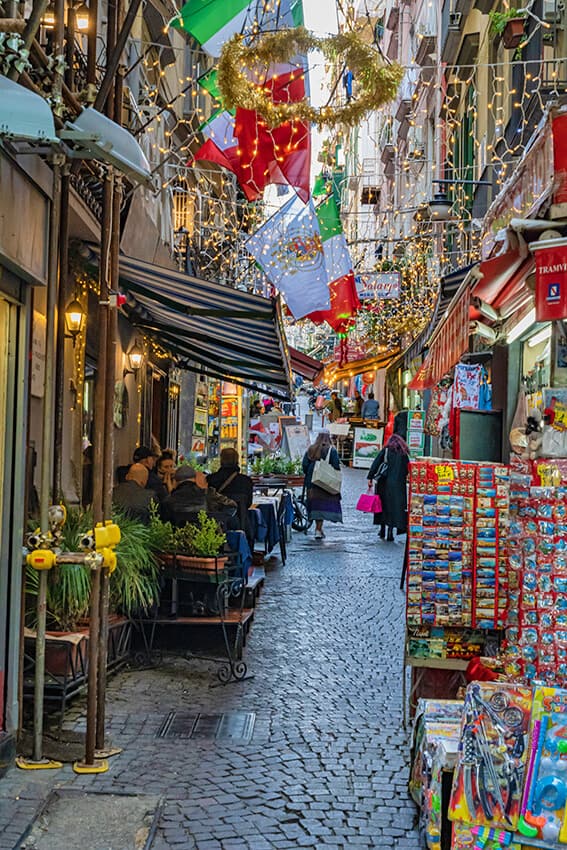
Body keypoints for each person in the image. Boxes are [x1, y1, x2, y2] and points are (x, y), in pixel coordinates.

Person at [162, 465, 238, 528]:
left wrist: (170, 492)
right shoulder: (208, 493)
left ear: (175, 481)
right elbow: (232, 506)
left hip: (179, 542)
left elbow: (163, 523)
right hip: (209, 541)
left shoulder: (169, 500)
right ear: (195, 479)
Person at [367, 434, 409, 541]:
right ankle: (390, 531)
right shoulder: (403, 454)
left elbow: (375, 464)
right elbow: (408, 469)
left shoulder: (385, 451)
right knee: (394, 508)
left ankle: (382, 530)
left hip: (383, 483)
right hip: (398, 486)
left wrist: (370, 478)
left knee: (383, 506)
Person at [302, 430, 342, 539]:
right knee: (322, 504)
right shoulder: (331, 450)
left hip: (312, 481)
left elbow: (304, 465)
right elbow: (336, 466)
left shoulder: (311, 449)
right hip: (325, 482)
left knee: (315, 504)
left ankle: (318, 528)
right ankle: (318, 529)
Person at [207, 447, 253, 537]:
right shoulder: (246, 481)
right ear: (237, 460)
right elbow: (248, 504)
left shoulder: (211, 480)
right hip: (241, 525)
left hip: (216, 526)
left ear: (221, 460)